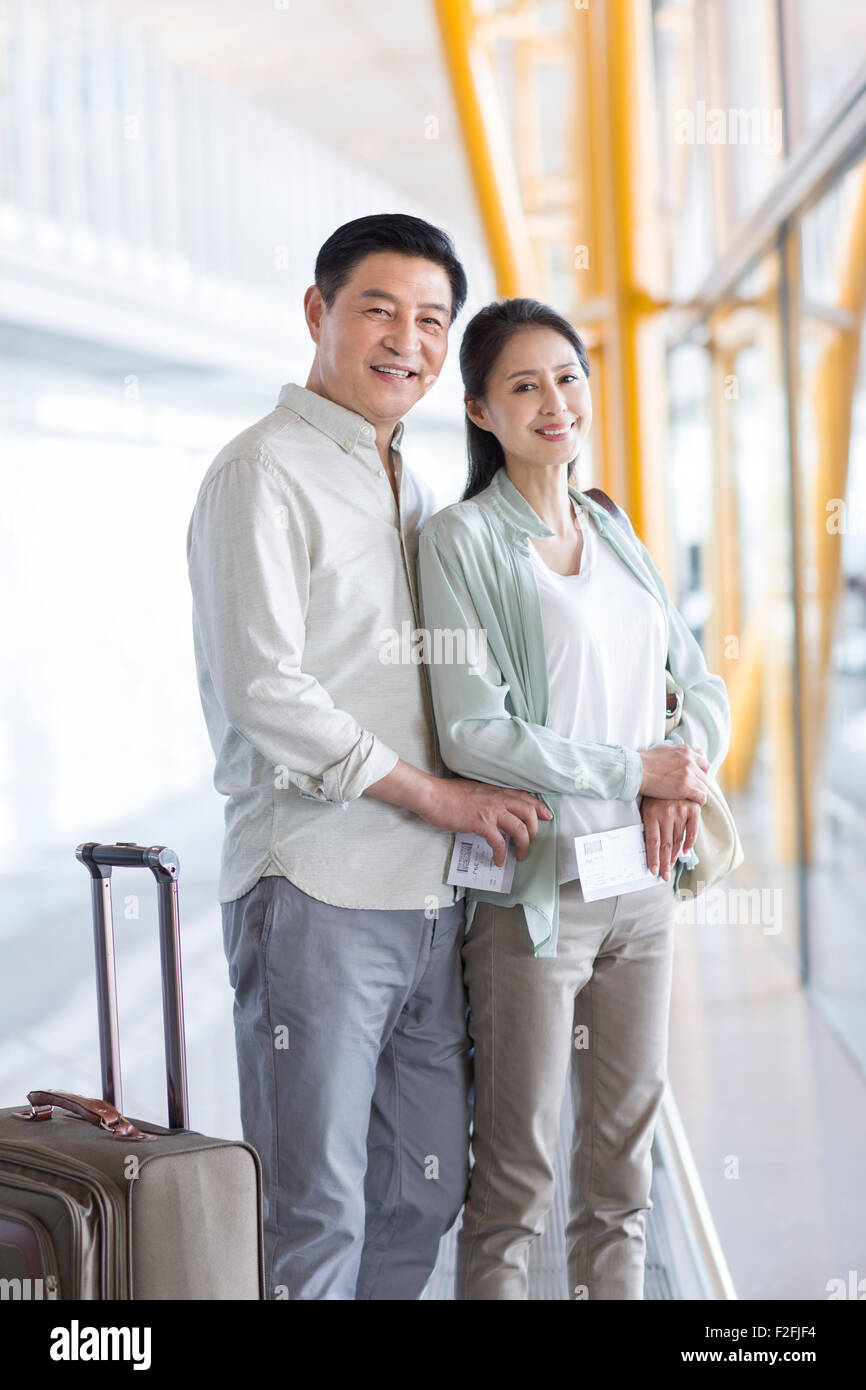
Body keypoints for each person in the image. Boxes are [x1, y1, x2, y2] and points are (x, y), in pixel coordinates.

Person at [185, 216, 551, 1301]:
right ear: (318, 313)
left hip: (431, 900)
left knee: (419, 1192)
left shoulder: (413, 487)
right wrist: (431, 793)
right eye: (378, 310)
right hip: (316, 887)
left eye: (430, 320)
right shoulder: (261, 473)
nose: (407, 340)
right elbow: (265, 689)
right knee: (316, 1208)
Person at [416, 296, 731, 1300]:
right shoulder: (460, 542)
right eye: (523, 384)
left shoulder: (610, 523)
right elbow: (472, 729)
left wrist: (677, 772)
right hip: (535, 903)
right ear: (478, 410)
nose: (554, 400)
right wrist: (632, 771)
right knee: (516, 1178)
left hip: (641, 885)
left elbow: (700, 683)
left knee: (620, 1177)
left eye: (566, 375)